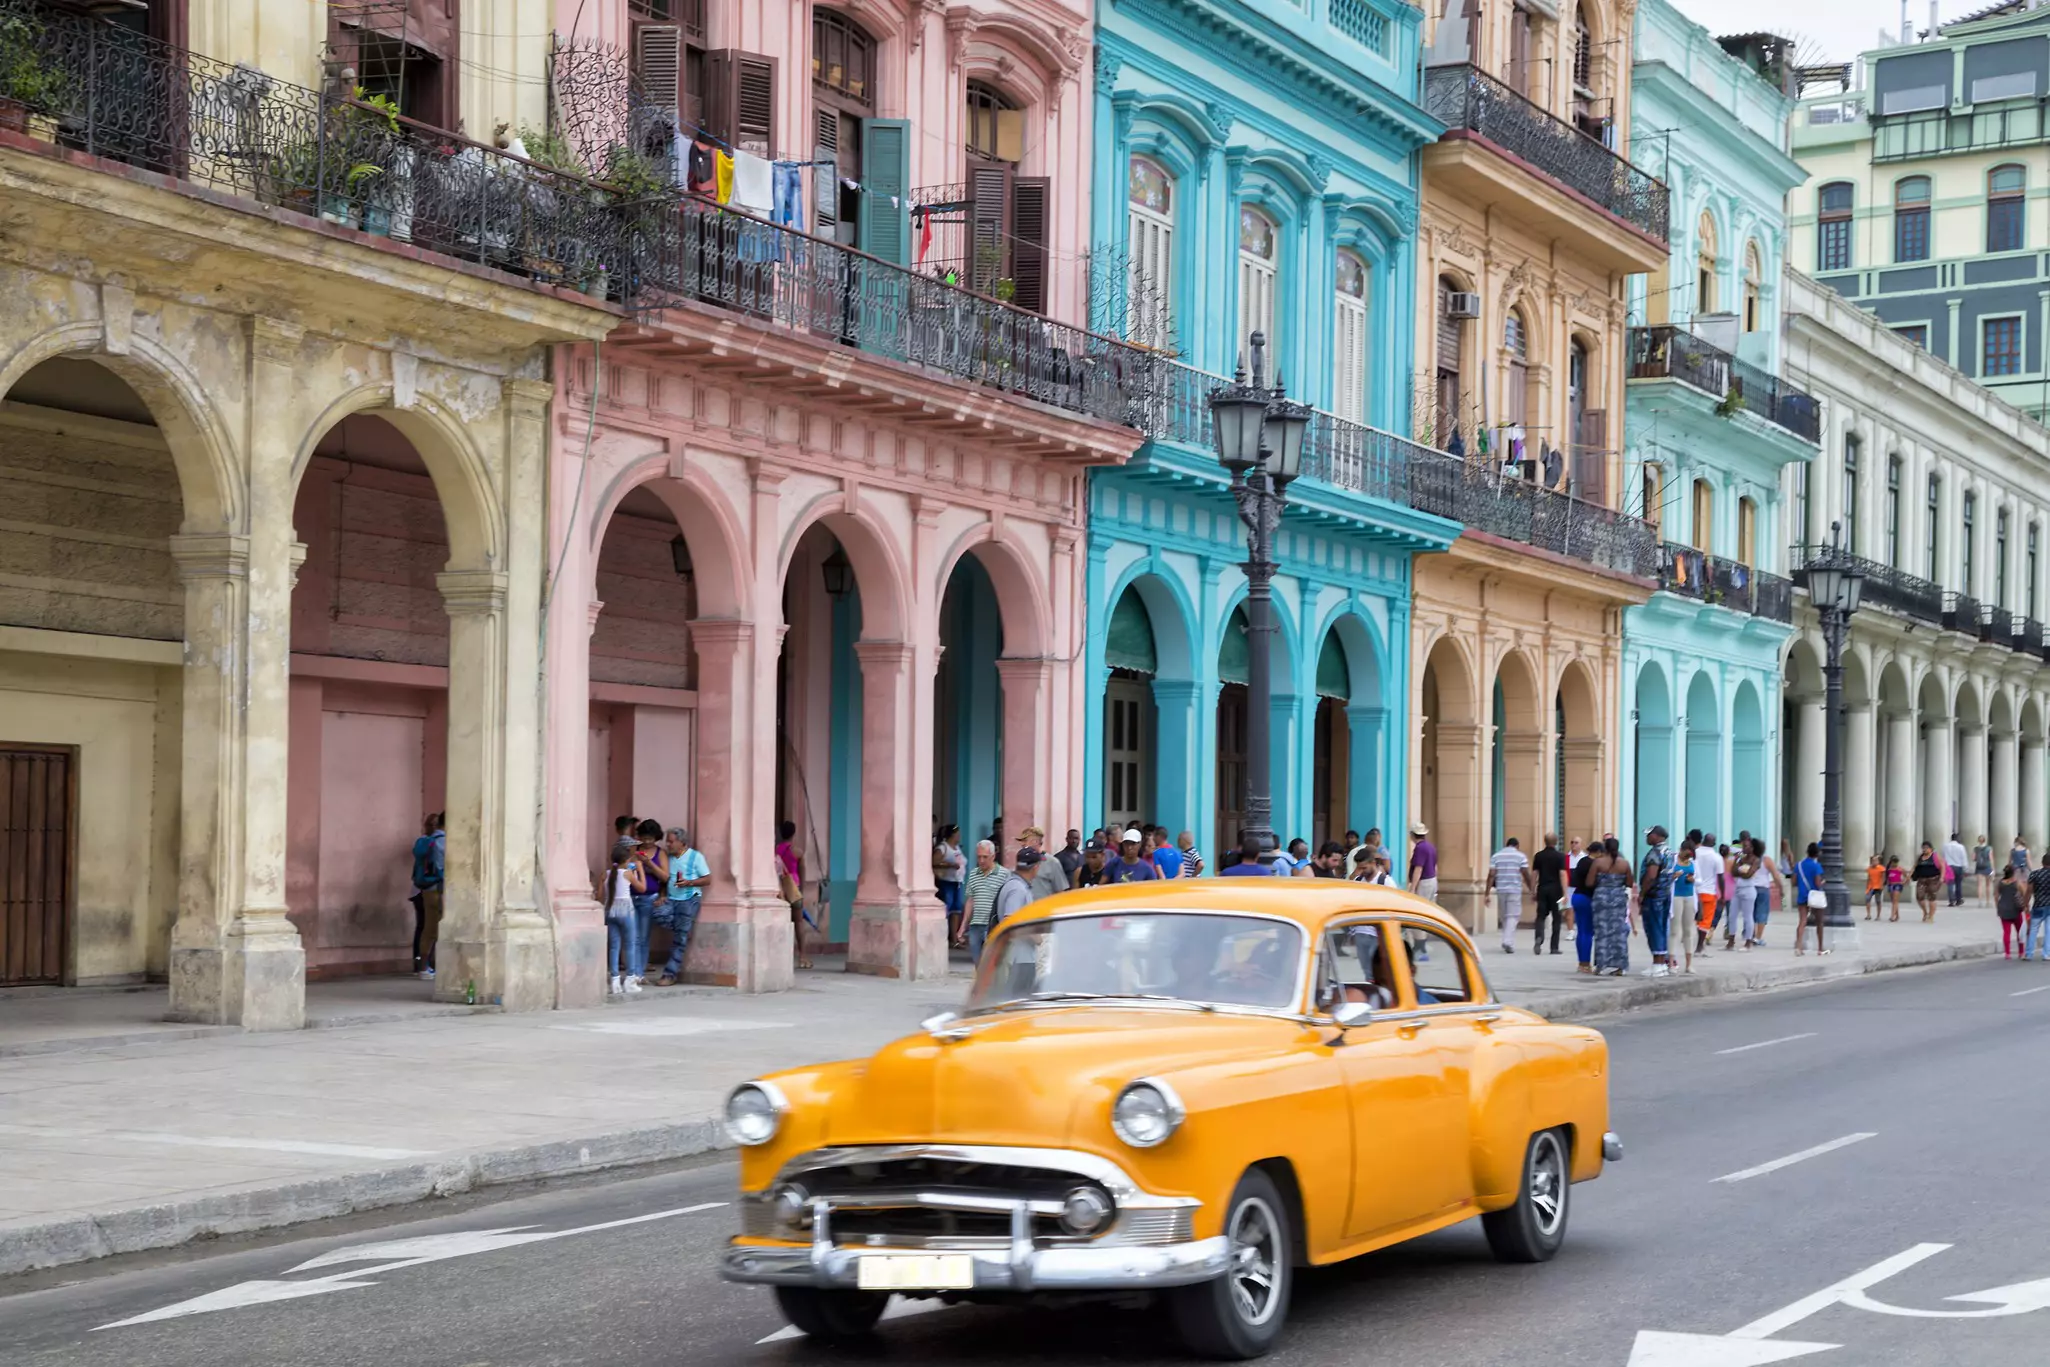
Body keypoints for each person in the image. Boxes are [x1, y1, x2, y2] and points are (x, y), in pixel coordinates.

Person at [655, 827, 710, 985]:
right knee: (658, 913)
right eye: (667, 841)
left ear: (682, 842)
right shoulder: (669, 858)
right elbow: (664, 879)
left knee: (679, 940)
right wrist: (663, 895)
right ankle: (684, 928)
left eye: (671, 841)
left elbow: (707, 879)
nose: (668, 844)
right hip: (671, 899)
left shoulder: (695, 857)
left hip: (689, 899)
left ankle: (669, 975)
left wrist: (689, 882)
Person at [600, 843, 644, 996]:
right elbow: (642, 888)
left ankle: (615, 981)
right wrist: (640, 870)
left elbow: (600, 896)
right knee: (630, 945)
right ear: (626, 860)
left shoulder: (605, 874)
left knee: (614, 946)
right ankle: (630, 980)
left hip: (610, 910)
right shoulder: (627, 874)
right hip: (626, 911)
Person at [629, 819, 668, 986]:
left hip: (649, 898)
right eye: (643, 838)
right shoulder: (633, 850)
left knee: (643, 937)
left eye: (650, 839)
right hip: (631, 897)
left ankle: (640, 972)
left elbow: (665, 877)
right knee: (633, 937)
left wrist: (648, 863)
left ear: (656, 838)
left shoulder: (661, 853)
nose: (646, 842)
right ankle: (632, 973)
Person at [959, 840, 1009, 961]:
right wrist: (962, 926)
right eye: (979, 857)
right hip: (975, 925)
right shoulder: (973, 874)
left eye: (985, 857)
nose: (981, 860)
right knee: (978, 962)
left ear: (993, 856)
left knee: (991, 962)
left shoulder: (1004, 874)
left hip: (992, 925)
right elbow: (970, 900)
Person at [1637, 826, 1676, 977]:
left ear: (1657, 836)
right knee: (1661, 927)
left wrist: (1642, 893)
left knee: (1654, 929)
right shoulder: (1669, 852)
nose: (1647, 838)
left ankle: (1658, 963)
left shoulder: (1655, 853)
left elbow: (1652, 876)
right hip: (1665, 894)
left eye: (1649, 835)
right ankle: (1661, 963)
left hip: (1653, 896)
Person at [410, 812, 445, 979]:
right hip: (438, 888)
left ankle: (423, 965)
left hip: (425, 888)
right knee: (432, 928)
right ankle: (424, 966)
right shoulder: (444, 842)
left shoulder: (426, 841)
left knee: (426, 927)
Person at [1591, 837, 1633, 976]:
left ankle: (1600, 965)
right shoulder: (1625, 864)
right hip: (1618, 898)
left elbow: (1589, 882)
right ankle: (1621, 966)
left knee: (1601, 932)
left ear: (1605, 848)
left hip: (1601, 897)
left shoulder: (1598, 862)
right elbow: (1629, 883)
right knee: (1619, 932)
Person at [1487, 837, 1533, 953]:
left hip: (1501, 889)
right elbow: (1525, 873)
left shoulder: (1496, 856)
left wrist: (1486, 893)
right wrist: (1532, 889)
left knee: (1504, 916)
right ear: (1517, 846)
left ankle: (1507, 938)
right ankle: (1507, 941)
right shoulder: (1521, 856)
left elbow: (1491, 875)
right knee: (1513, 915)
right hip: (1514, 889)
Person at [776, 820, 811, 970]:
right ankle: (802, 956)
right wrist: (801, 891)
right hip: (794, 889)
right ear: (794, 833)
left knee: (781, 922)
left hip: (780, 889)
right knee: (798, 923)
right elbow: (802, 873)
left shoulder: (775, 850)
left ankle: (781, 955)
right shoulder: (798, 852)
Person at [1531, 833, 1568, 956]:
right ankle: (1554, 947)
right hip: (1556, 890)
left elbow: (1534, 874)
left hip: (1542, 888)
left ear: (1544, 841)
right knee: (1557, 918)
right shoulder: (1560, 856)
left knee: (1540, 916)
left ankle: (1539, 937)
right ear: (1556, 842)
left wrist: (1532, 890)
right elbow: (1562, 874)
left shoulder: (1539, 856)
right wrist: (1565, 892)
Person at [1792, 841, 1828, 956]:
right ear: (1817, 854)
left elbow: (1793, 882)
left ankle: (1799, 947)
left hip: (1802, 895)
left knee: (1802, 921)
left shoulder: (1799, 865)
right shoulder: (1816, 866)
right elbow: (1818, 883)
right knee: (1819, 922)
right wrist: (1823, 882)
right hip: (1815, 897)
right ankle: (1820, 948)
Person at [933, 823, 967, 943]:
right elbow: (934, 862)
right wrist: (949, 865)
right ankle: (941, 938)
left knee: (956, 910)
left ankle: (954, 938)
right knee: (946, 909)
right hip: (946, 882)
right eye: (957, 833)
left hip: (956, 882)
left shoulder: (957, 847)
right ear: (951, 835)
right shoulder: (943, 847)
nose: (959, 836)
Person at [1571, 834, 1600, 973]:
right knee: (1588, 932)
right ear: (1598, 852)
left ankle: (1581, 963)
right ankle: (1586, 963)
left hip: (1577, 896)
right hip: (1587, 898)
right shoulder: (1594, 864)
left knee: (1581, 931)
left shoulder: (1582, 861)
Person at [1692, 834, 1723, 955]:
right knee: (1705, 921)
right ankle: (1699, 947)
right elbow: (1720, 877)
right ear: (1714, 844)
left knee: (1697, 920)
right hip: (1709, 893)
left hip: (1694, 891)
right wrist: (1723, 894)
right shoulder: (1716, 857)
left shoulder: (1695, 853)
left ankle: (1697, 946)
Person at [1670, 839, 1698, 973]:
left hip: (1689, 896)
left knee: (1688, 931)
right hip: (1676, 896)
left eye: (1689, 856)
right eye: (1685, 855)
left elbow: (1700, 880)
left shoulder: (1693, 863)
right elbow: (1665, 877)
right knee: (1674, 930)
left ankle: (1689, 964)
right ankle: (1671, 962)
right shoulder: (1672, 861)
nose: (1687, 858)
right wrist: (1673, 876)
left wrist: (1693, 880)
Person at [1727, 839, 1759, 951]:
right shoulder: (1740, 858)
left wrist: (1740, 871)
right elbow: (1733, 872)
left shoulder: (1756, 860)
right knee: (1732, 915)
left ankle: (1748, 942)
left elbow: (1749, 874)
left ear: (1752, 848)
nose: (1744, 848)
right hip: (1737, 889)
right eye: (1743, 846)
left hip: (1748, 890)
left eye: (1746, 846)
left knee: (1747, 917)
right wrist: (1741, 869)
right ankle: (1731, 940)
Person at [1746, 838, 1778, 947]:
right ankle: (1758, 937)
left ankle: (1750, 935)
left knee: (1751, 913)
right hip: (1763, 888)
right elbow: (1775, 875)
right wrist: (1780, 888)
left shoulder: (1748, 859)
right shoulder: (1766, 860)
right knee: (1762, 913)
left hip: (1750, 887)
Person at [1023, 834, 1069, 900]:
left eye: (1027, 841)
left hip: (1045, 907)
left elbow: (1060, 891)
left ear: (1038, 843)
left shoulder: (1052, 862)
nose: (1025, 845)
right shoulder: (1022, 861)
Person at [1996, 862, 2026, 958]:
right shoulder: (2017, 883)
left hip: (2004, 910)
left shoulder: (2000, 883)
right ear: (2013, 873)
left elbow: (1996, 896)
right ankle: (2021, 952)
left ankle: (2007, 953)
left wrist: (1998, 906)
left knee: (2006, 932)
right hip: (2016, 910)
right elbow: (2024, 894)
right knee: (2019, 932)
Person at [1911, 842, 1942, 923]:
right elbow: (1914, 867)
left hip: (1933, 879)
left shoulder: (1935, 856)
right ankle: (1925, 912)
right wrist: (1907, 877)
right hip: (1921, 879)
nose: (1924, 849)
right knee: (1919, 897)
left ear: (1931, 849)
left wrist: (1942, 877)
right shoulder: (1920, 857)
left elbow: (1942, 866)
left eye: (1926, 848)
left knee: (1932, 897)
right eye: (1923, 848)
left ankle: (1931, 916)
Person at [1408, 823, 1439, 901]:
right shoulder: (1431, 846)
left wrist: (1413, 888)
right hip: (1432, 880)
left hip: (1424, 883)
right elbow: (1435, 867)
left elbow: (1418, 869)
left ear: (1412, 835)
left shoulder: (1420, 848)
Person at [2028, 853, 2050, 961]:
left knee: (2033, 929)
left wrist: (2025, 904)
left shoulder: (2035, 874)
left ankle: (2029, 953)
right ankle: (2046, 954)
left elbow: (2029, 891)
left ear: (2042, 862)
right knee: (2049, 930)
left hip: (2038, 905)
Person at [1941, 833, 1967, 909]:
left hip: (1949, 866)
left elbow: (1943, 856)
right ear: (1957, 838)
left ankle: (1951, 900)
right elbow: (1963, 858)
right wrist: (1965, 868)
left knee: (1950, 884)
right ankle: (1958, 899)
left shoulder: (1945, 846)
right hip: (1958, 866)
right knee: (1958, 883)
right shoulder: (1961, 847)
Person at [1973, 834, 1994, 906]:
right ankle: (1988, 901)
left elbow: (1974, 859)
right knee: (1988, 885)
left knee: (1979, 885)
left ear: (1978, 841)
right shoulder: (1989, 848)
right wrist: (1993, 869)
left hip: (1979, 867)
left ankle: (1980, 901)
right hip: (1987, 866)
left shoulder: (1976, 849)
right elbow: (1991, 859)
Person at [1865, 854, 1886, 920]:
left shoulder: (1881, 868)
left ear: (1878, 861)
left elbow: (1883, 877)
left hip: (1878, 887)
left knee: (1878, 901)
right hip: (1870, 887)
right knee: (1867, 899)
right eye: (1873, 860)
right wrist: (1867, 886)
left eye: (1876, 860)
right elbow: (1869, 877)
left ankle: (1878, 916)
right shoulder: (1869, 869)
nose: (1874, 862)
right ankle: (1868, 915)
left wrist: (1882, 885)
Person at [1885, 854, 1905, 920]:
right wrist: (1887, 883)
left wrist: (1903, 882)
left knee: (1895, 900)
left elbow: (1906, 876)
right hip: (1890, 885)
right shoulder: (1889, 868)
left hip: (1897, 885)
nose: (1895, 863)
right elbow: (1887, 877)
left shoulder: (1900, 868)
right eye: (1894, 861)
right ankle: (1897, 915)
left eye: (1896, 862)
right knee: (1893, 901)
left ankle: (1892, 916)